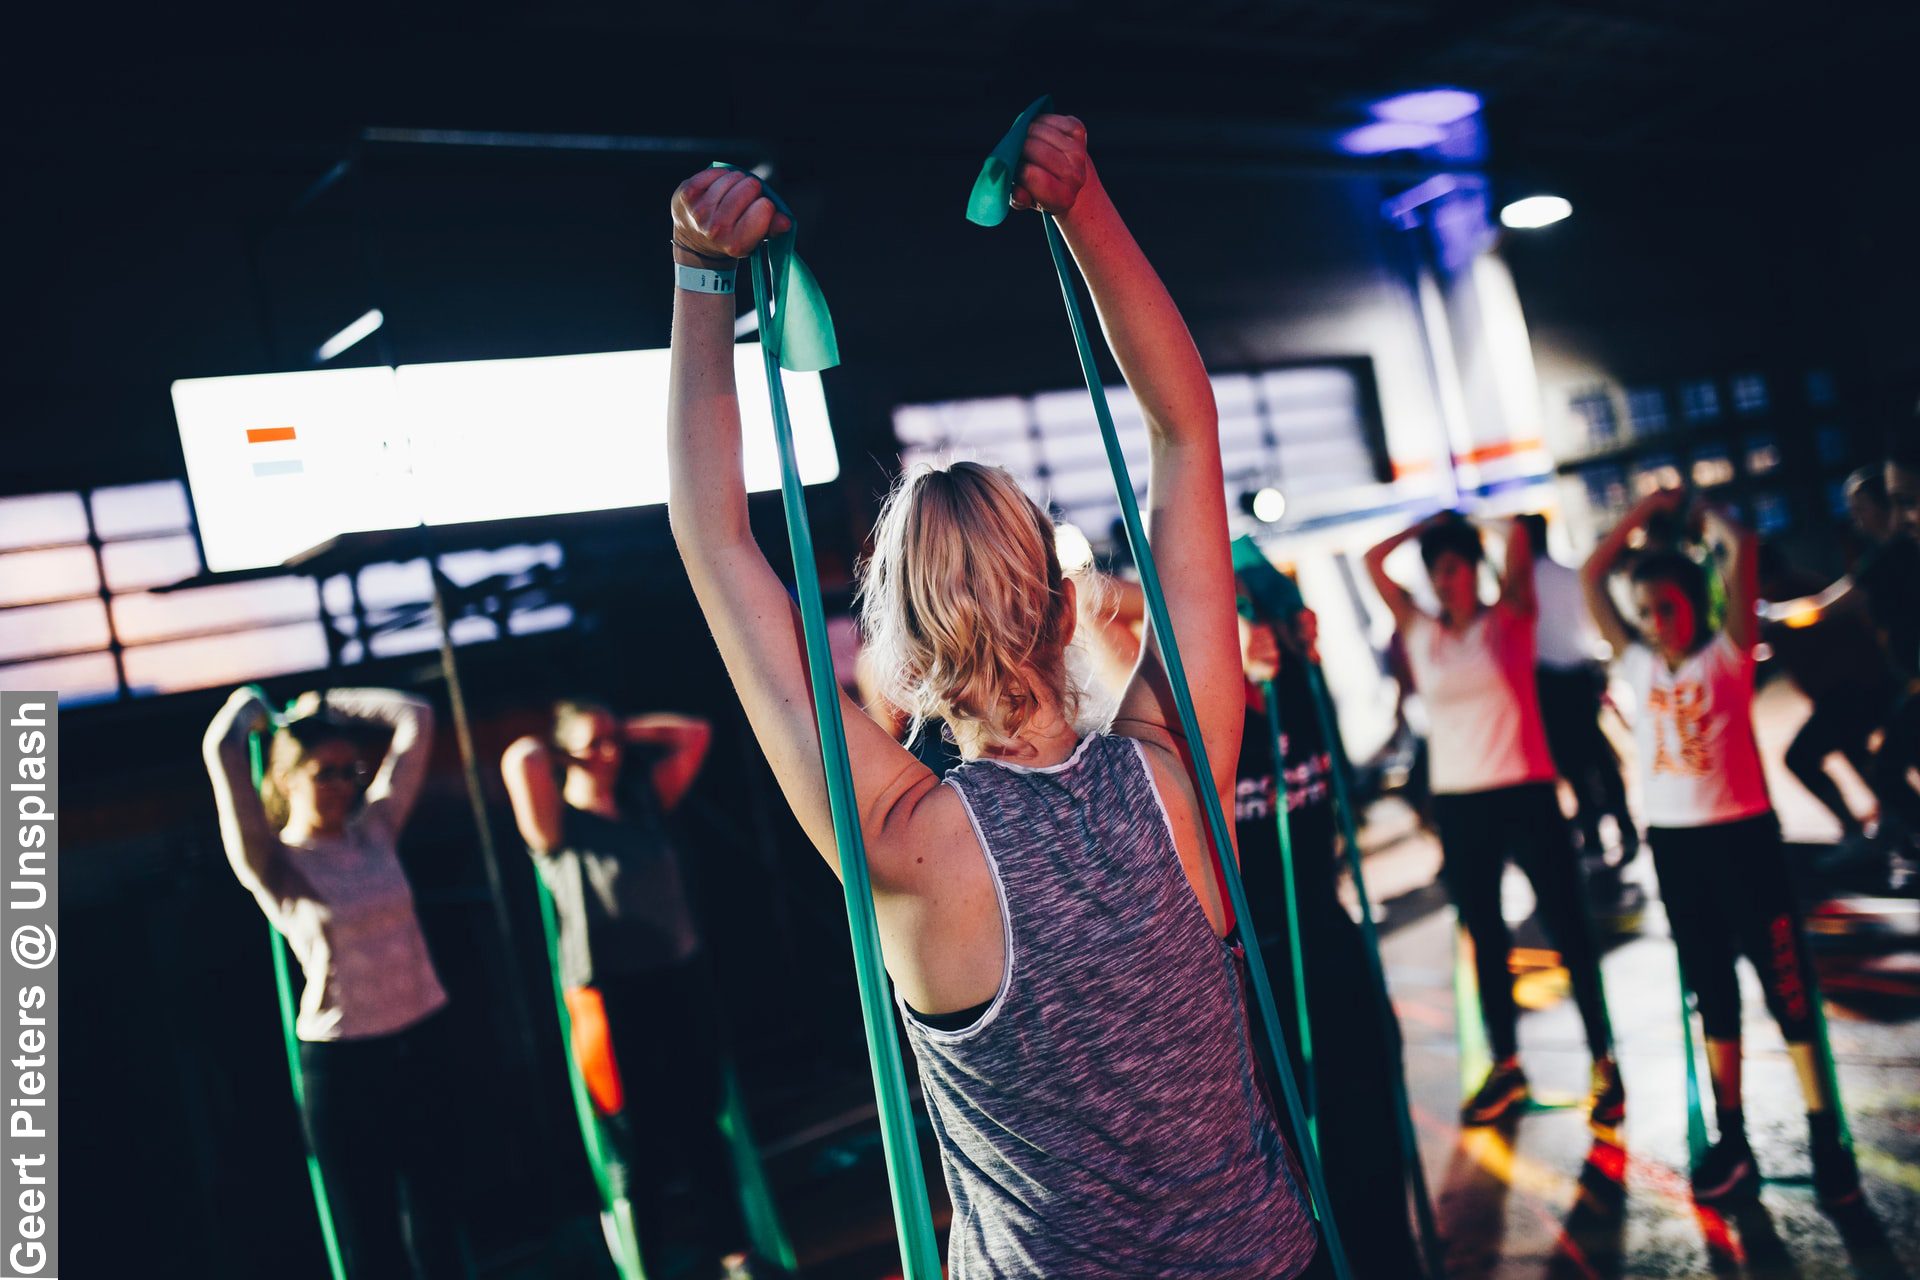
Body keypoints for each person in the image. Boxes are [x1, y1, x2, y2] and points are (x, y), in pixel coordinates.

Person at [666, 115, 1319, 1278]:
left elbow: (717, 543)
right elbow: (1184, 428)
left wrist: (700, 278)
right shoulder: (1180, 768)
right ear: (1072, 610)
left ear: (898, 660)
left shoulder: (907, 842)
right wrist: (1082, 203)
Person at [1581, 489, 1860, 1208]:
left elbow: (1740, 543)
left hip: (1744, 841)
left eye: (1667, 607)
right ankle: (1733, 1137)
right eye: (1646, 612)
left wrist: (1693, 506)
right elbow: (1592, 576)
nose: (1655, 623)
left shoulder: (1728, 654)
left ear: (1696, 606)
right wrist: (1640, 514)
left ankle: (1825, 1134)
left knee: (1786, 986)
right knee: (1714, 995)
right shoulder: (1639, 665)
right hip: (1677, 848)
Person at [1365, 511, 1622, 1127]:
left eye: (1453, 567)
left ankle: (1604, 1063)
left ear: (1476, 568)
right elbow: (1375, 559)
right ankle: (1507, 1066)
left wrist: (1472, 521)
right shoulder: (1421, 632)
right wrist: (1430, 523)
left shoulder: (1510, 620)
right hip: (1461, 805)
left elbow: (1521, 538)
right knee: (1486, 939)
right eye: (1435, 571)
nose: (1443, 581)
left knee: (1570, 931)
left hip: (1526, 792)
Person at [202, 686, 463, 1279]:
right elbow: (221, 746)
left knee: (438, 1217)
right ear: (288, 778)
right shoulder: (274, 861)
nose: (345, 785)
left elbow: (415, 716)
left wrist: (331, 701)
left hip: (423, 1036)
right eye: (327, 773)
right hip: (348, 1062)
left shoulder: (374, 829)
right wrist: (256, 710)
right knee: (371, 1238)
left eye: (353, 771)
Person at [500, 701, 745, 1273]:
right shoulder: (555, 825)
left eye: (615, 742)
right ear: (564, 752)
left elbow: (696, 732)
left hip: (677, 982)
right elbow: (520, 758)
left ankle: (735, 1254)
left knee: (700, 1125)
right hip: (607, 997)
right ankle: (647, 1268)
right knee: (633, 1144)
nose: (608, 754)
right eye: (594, 743)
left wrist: (619, 732)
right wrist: (569, 742)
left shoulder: (644, 805)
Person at [1235, 593, 1427, 1280]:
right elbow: (1124, 612)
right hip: (1258, 969)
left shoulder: (1304, 690)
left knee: (1373, 1116)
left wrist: (1298, 640)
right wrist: (1221, 630)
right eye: (1238, 617)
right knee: (1297, 1149)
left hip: (1329, 936)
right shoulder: (1201, 717)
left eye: (1262, 615)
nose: (1258, 633)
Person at [1517, 513, 1640, 870]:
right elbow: (1589, 627)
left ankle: (1593, 834)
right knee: (1597, 752)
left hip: (1550, 681)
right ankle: (1624, 825)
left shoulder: (1525, 585)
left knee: (1571, 759)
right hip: (1581, 672)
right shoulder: (1568, 575)